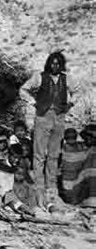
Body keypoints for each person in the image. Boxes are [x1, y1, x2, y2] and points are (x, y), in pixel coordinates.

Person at [20, 51, 78, 209]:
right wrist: (33, 102)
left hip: (59, 117)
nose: (55, 66)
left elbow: (77, 91)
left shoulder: (67, 78)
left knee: (54, 154)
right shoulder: (39, 77)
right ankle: (39, 188)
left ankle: (51, 189)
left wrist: (70, 104)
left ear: (61, 64)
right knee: (39, 155)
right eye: (52, 63)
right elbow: (23, 90)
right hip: (42, 116)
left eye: (58, 63)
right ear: (48, 63)